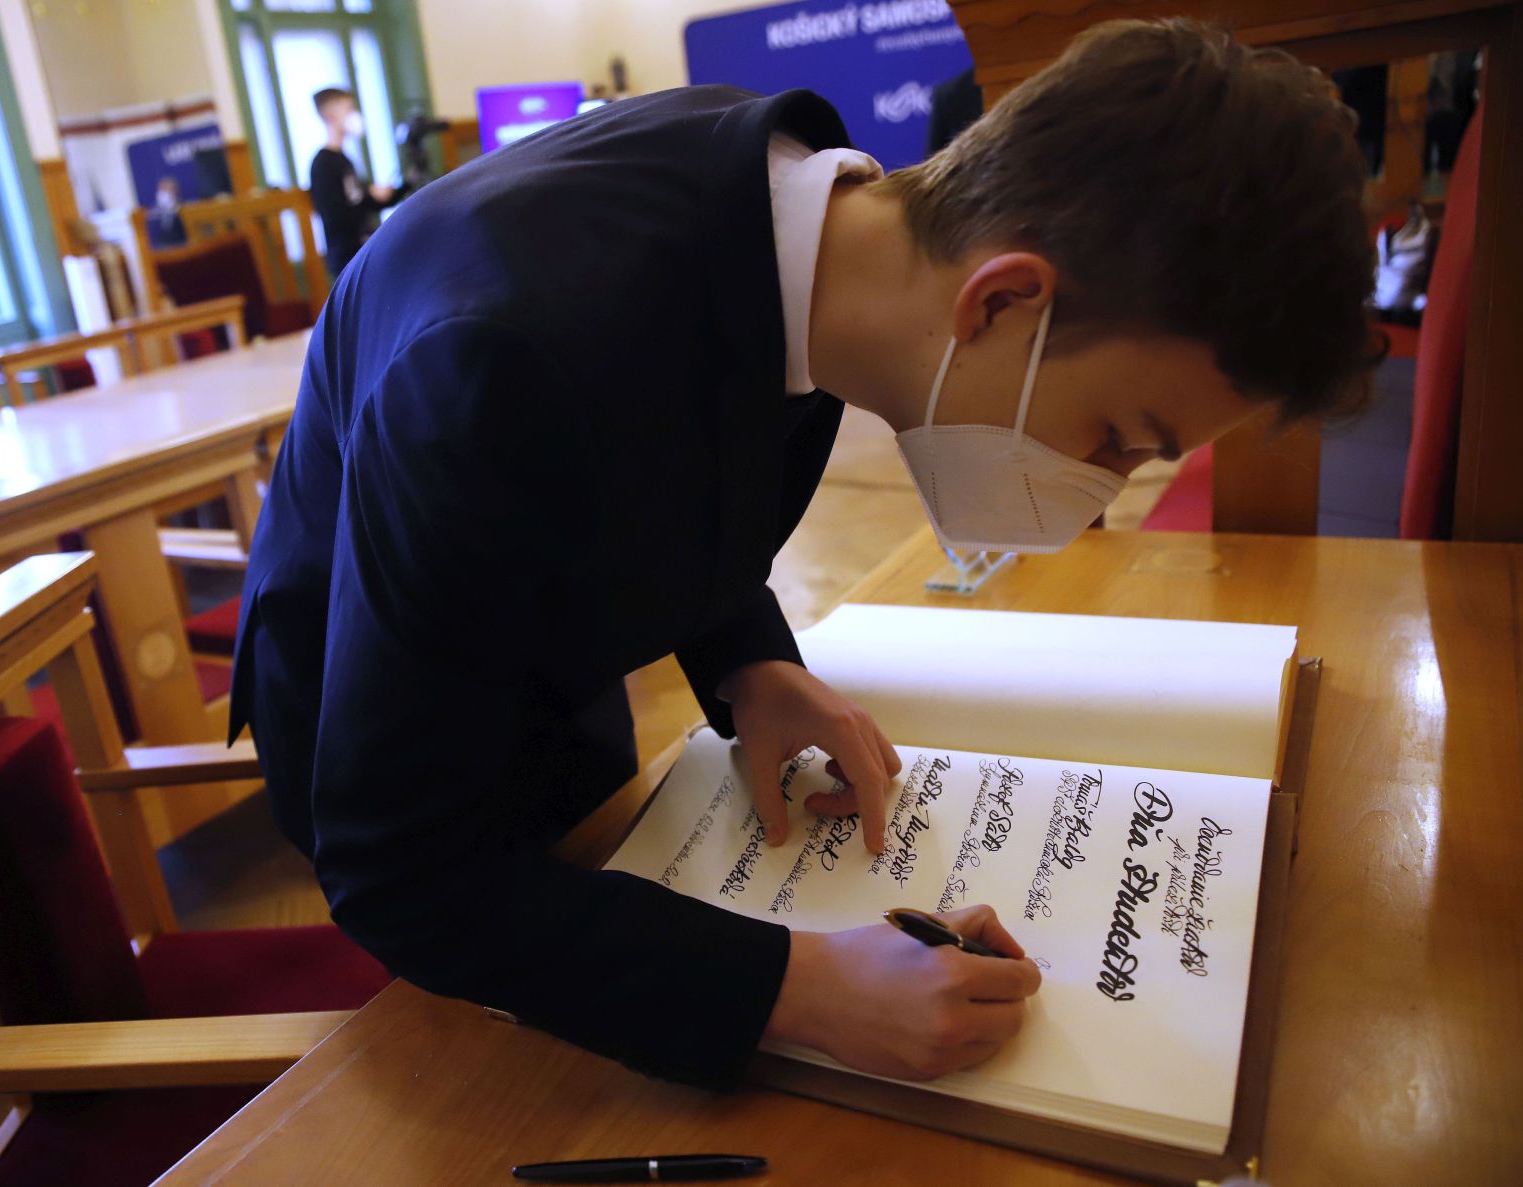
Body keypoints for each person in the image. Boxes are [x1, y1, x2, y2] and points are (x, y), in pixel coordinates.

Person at [232, 20, 1377, 1090]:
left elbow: (680, 435)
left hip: (551, 631)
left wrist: (748, 660)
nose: (1096, 500)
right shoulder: (498, 364)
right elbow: (400, 870)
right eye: (1117, 437)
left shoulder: (817, 245)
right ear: (1001, 303)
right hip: (385, 720)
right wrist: (794, 987)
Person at [308, 86, 406, 276]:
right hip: (347, 258)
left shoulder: (344, 160)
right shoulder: (323, 164)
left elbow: (364, 201)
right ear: (331, 116)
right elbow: (336, 215)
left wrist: (397, 189)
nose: (354, 115)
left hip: (363, 249)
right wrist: (367, 195)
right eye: (349, 109)